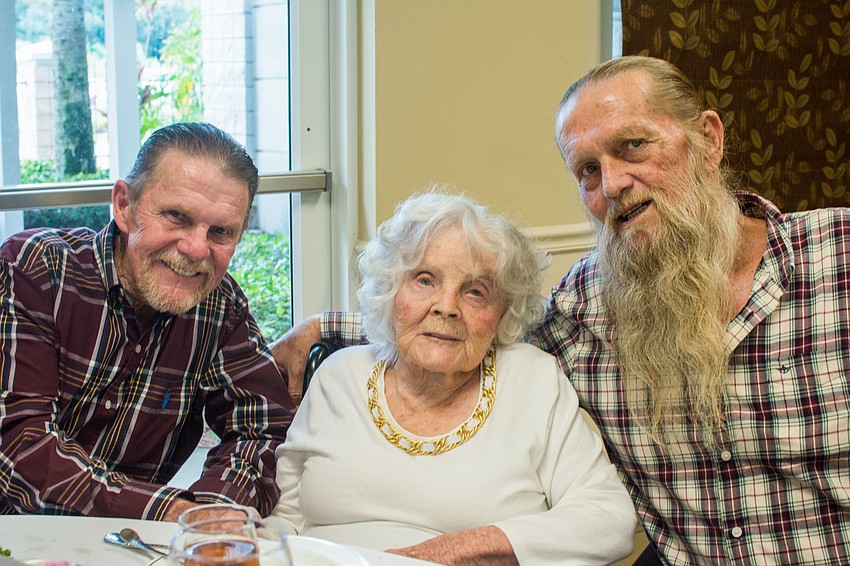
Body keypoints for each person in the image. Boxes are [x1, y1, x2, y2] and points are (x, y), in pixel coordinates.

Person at [272, 56, 850, 565]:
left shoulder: (837, 256)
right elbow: (471, 321)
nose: (615, 183)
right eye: (588, 171)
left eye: (633, 147)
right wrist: (325, 329)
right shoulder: (587, 307)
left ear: (708, 139)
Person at [267, 191, 637, 565]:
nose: (446, 307)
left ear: (503, 313)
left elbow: (609, 519)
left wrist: (467, 547)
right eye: (425, 280)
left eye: (475, 292)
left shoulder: (531, 380)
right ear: (391, 291)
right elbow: (287, 517)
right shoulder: (339, 375)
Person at [0, 122, 295, 521]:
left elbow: (264, 431)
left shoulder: (219, 308)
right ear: (124, 205)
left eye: (221, 231)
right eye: (176, 216)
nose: (195, 249)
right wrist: (172, 513)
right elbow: (19, 447)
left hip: (130, 546)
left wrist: (212, 510)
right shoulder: (36, 269)